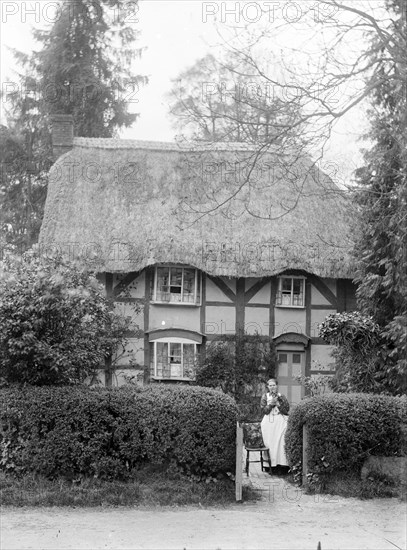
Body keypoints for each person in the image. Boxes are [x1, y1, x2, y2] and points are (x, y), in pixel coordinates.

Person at [260, 378, 290, 474]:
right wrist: (271, 405)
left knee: (281, 443)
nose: (272, 387)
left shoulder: (282, 396)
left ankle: (282, 465)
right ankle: (269, 466)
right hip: (269, 423)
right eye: (270, 385)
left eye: (274, 385)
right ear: (268, 387)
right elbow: (264, 411)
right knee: (269, 443)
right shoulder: (265, 396)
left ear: (277, 386)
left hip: (280, 422)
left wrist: (278, 404)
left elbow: (286, 410)